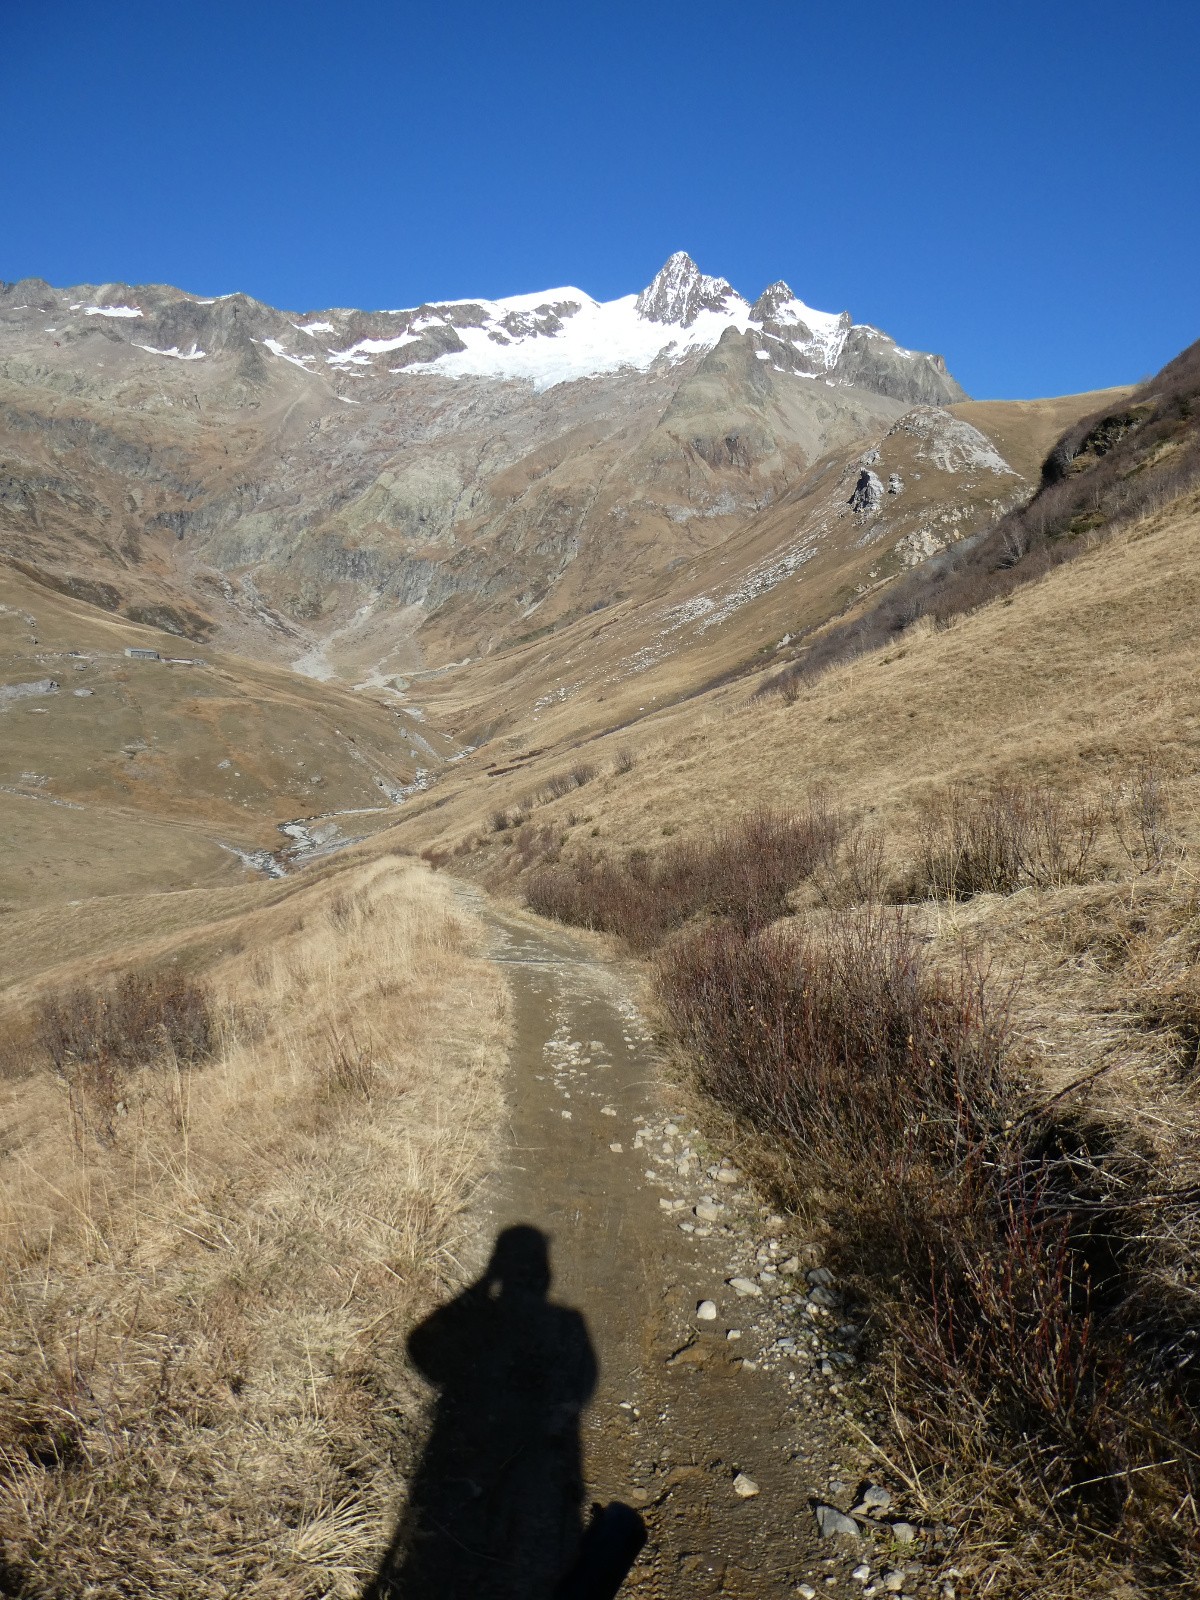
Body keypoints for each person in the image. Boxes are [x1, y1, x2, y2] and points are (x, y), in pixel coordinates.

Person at [365, 1225, 597, 1600]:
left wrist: (482, 1285)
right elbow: (584, 1385)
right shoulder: (569, 1321)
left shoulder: (550, 1319)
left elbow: (420, 1349)